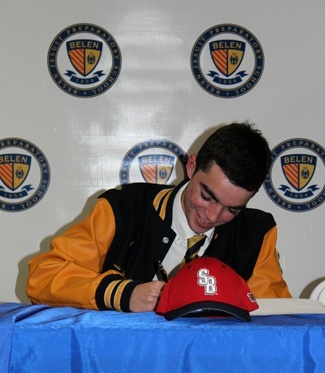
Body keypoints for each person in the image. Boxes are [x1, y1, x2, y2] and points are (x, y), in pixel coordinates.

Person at [26, 122, 291, 312]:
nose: (212, 216)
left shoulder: (257, 234)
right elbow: (43, 278)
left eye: (232, 209)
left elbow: (276, 317)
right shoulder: (124, 208)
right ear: (191, 167)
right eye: (207, 196)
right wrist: (123, 294)